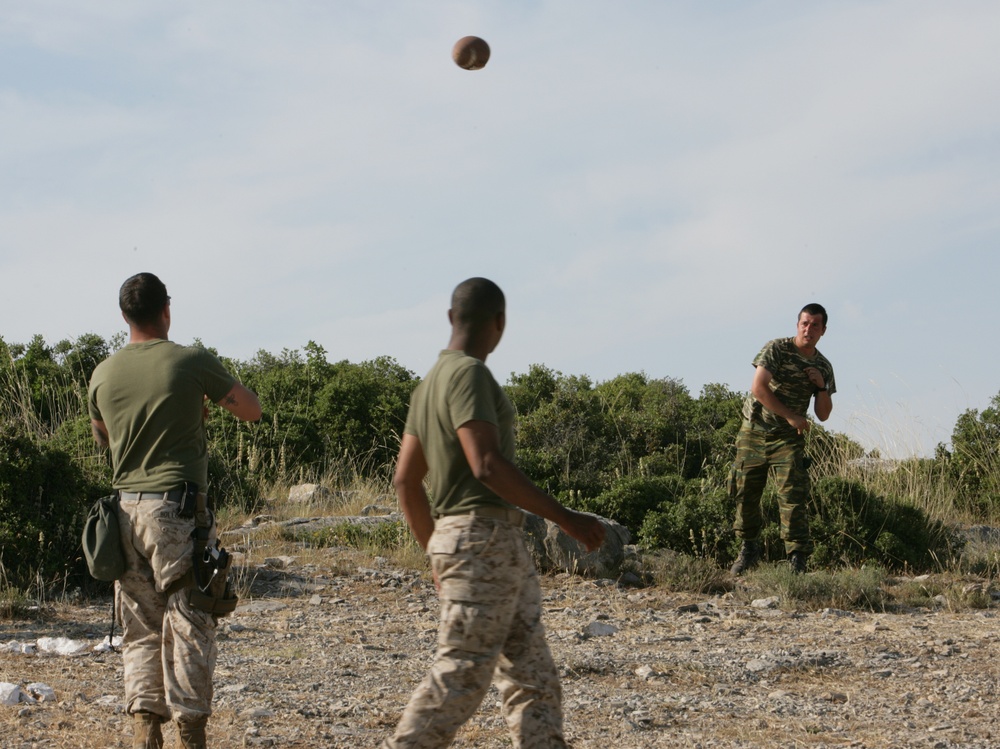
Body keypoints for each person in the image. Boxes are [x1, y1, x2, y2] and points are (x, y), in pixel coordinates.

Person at [383, 277, 606, 749]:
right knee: (461, 673)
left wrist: (435, 552)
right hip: (483, 537)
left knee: (533, 675)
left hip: (481, 543)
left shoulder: (428, 386)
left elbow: (406, 481)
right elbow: (485, 464)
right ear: (500, 323)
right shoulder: (469, 375)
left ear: (451, 318)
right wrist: (565, 517)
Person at [88, 272, 261, 749]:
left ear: (124, 316)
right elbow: (251, 409)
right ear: (167, 310)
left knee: (140, 626)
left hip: (123, 513)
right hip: (176, 512)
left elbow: (104, 436)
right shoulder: (190, 361)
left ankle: (146, 730)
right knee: (188, 621)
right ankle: (191, 736)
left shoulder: (103, 372)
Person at [728, 303, 836, 575]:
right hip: (755, 430)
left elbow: (823, 414)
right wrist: (790, 415)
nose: (808, 329)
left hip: (788, 439)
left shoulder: (823, 365)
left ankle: (797, 558)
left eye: (814, 325)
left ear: (823, 330)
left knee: (792, 496)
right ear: (797, 324)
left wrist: (821, 386)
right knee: (745, 494)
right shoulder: (777, 349)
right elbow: (758, 388)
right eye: (804, 323)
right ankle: (748, 549)